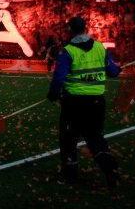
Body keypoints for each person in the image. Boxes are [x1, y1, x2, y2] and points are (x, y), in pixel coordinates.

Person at [47, 16, 121, 188]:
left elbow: (59, 78)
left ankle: (69, 174)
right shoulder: (99, 48)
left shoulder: (68, 51)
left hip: (74, 104)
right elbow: (112, 72)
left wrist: (53, 93)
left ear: (71, 30)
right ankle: (111, 171)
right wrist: (118, 69)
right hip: (96, 103)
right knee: (95, 138)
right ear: (85, 29)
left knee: (68, 139)